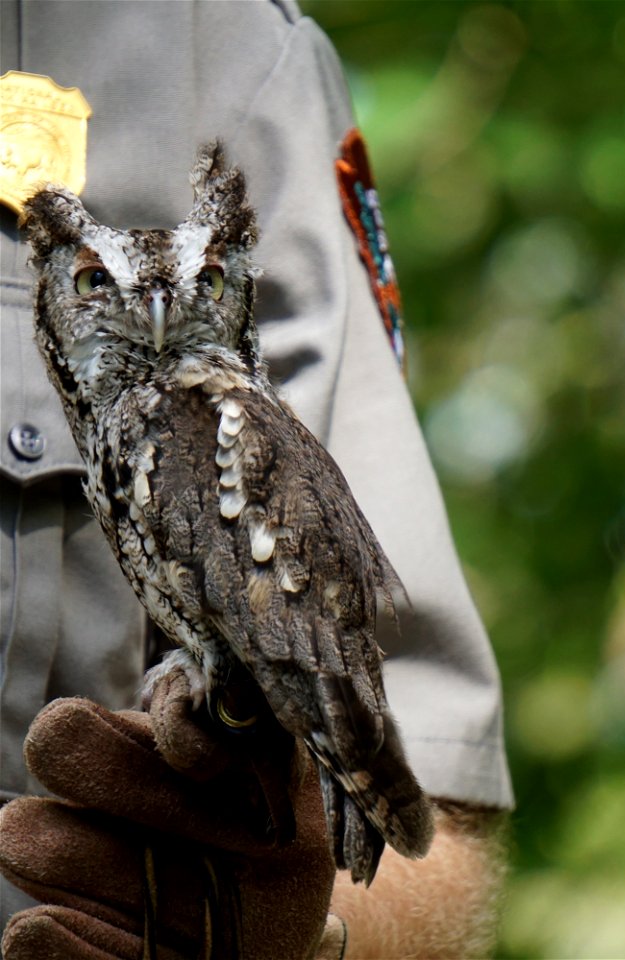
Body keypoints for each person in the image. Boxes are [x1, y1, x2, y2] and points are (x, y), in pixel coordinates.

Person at [0, 1, 513, 956]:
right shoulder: (129, 422)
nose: (154, 330)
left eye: (198, 295)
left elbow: (435, 801)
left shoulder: (231, 52)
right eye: (100, 296)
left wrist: (300, 931)